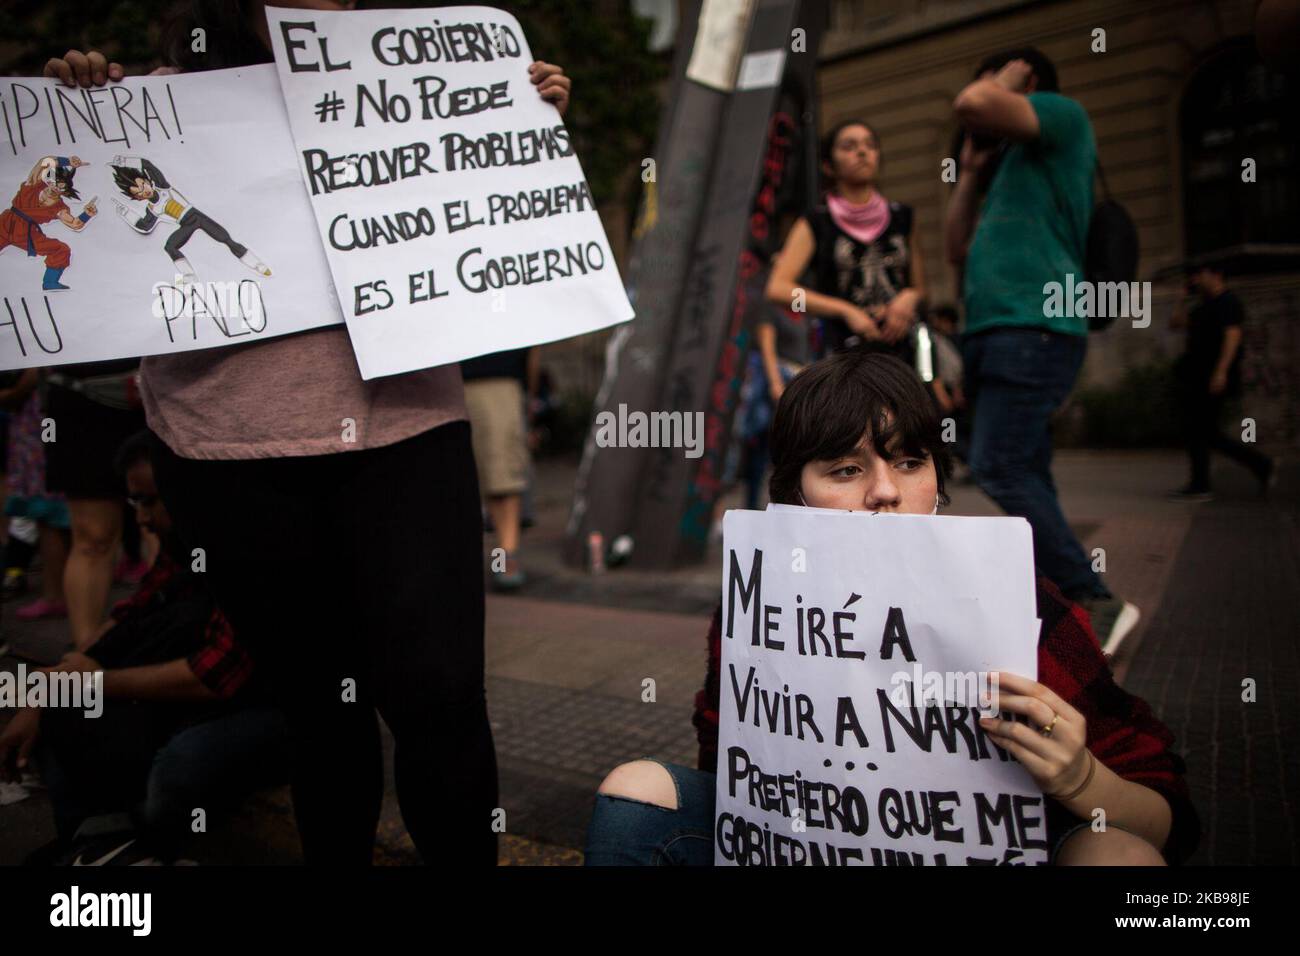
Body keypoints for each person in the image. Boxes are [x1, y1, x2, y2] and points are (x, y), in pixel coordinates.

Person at [44, 0, 571, 865]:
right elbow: (76, 222)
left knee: (441, 706)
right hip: (228, 452)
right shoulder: (154, 105)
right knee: (320, 712)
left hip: (404, 431)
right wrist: (76, 105)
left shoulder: (416, 85)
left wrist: (513, 119)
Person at [584, 350, 1199, 866]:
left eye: (909, 461)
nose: (884, 491)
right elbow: (729, 773)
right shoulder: (759, 606)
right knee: (635, 792)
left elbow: (1168, 818)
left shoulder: (1025, 604)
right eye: (847, 469)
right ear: (794, 495)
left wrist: (1081, 780)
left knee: (1118, 856)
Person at [0, 432, 288, 864]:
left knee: (178, 766)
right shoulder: (183, 542)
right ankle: (93, 845)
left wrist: (88, 682)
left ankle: (142, 848)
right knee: (62, 710)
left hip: (279, 708)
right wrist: (52, 686)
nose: (142, 517)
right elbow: (132, 614)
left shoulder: (242, 545)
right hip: (214, 698)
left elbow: (213, 676)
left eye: (150, 501)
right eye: (134, 501)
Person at [943, 48, 1138, 655]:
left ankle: (1094, 596)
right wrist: (972, 171)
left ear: (1023, 83)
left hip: (1037, 324)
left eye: (991, 78)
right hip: (996, 331)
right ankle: (1061, 604)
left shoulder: (1062, 117)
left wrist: (999, 82)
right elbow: (954, 246)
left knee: (996, 463)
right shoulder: (1003, 166)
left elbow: (973, 102)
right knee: (1026, 468)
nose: (977, 93)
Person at [765, 120, 927, 364]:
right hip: (844, 354)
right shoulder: (817, 221)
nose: (862, 152)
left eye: (870, 145)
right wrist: (844, 310)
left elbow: (921, 288)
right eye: (849, 146)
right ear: (829, 166)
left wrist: (908, 298)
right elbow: (778, 288)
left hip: (901, 351)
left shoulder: (903, 217)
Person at [42, 360, 146, 649]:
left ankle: (167, 638)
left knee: (164, 527)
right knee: (92, 537)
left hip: (159, 386)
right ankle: (86, 653)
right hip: (81, 395)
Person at [1168, 264, 1274, 501]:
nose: (1195, 279)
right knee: (1203, 432)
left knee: (1201, 431)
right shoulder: (1201, 307)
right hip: (1196, 378)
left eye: (1199, 274)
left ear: (1216, 275)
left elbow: (1232, 337)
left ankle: (1203, 484)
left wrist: (1221, 371)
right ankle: (1258, 466)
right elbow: (1175, 324)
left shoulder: (1228, 302)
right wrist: (1181, 300)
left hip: (1212, 377)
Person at [461, 347, 538, 591]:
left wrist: (529, 393)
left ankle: (505, 558)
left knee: (501, 476)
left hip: (493, 374)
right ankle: (502, 559)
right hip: (441, 376)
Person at [1, 370, 70, 622]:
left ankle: (55, 595)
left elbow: (33, 374)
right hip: (39, 423)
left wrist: (11, 394)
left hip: (42, 423)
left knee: (48, 514)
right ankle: (50, 589)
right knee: (45, 514)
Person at [0, 156, 98, 291]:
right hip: (5, 223)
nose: (56, 188)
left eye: (61, 188)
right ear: (50, 180)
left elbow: (75, 224)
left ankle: (50, 283)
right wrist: (68, 161)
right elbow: (44, 162)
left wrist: (87, 214)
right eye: (55, 183)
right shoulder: (34, 184)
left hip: (26, 234)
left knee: (61, 249)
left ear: (65, 192)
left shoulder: (59, 207)